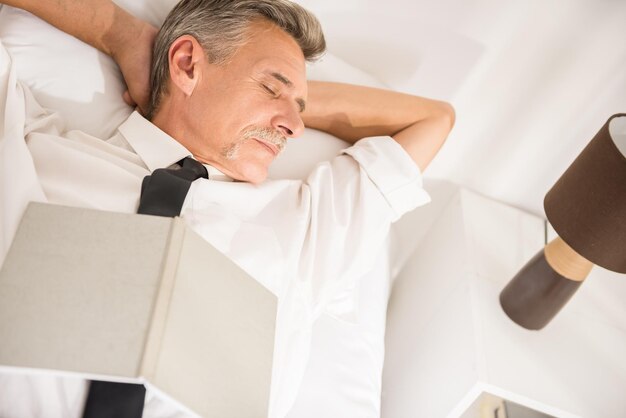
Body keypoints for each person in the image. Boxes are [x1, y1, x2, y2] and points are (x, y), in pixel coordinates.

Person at [0, 0, 455, 417]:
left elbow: (432, 119)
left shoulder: (305, 227)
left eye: (301, 109)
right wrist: (122, 36)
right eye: (270, 88)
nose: (296, 127)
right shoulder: (36, 140)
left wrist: (285, 101)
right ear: (187, 63)